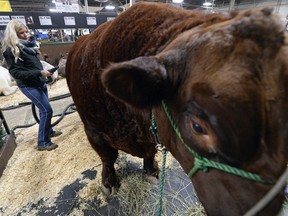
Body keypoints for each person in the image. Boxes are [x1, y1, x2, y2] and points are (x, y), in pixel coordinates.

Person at [1, 20, 62, 151]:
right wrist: (39, 72)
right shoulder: (10, 50)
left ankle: (49, 131)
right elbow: (15, 72)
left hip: (39, 81)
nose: (25, 34)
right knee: (47, 110)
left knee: (43, 110)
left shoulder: (27, 46)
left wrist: (44, 71)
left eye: (26, 31)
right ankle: (43, 142)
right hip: (28, 85)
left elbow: (32, 63)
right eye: (21, 33)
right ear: (14, 34)